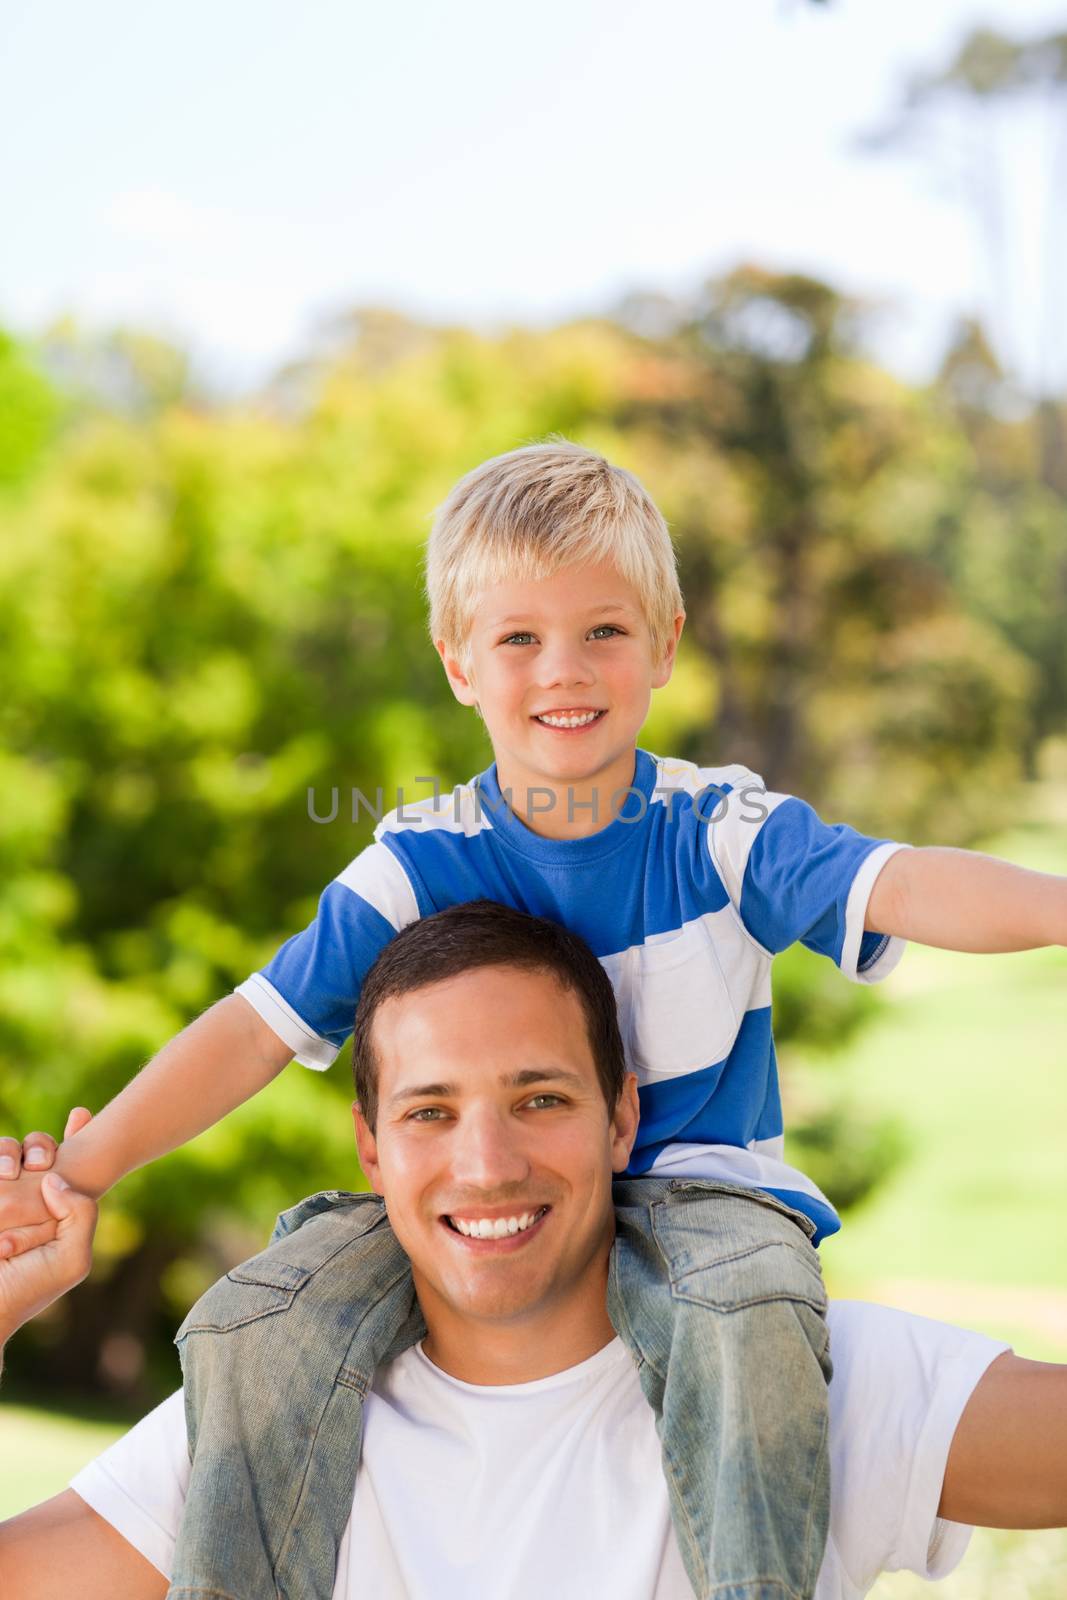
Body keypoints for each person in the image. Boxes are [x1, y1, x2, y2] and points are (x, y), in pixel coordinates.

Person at [2, 444, 1066, 1598]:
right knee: (261, 1315)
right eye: (517, 638)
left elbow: (899, 882)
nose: (564, 669)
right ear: (457, 662)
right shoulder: (422, 859)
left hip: (707, 1208)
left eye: (603, 631)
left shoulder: (717, 828)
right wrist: (85, 1167)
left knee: (747, 1322)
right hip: (491, 1224)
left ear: (665, 641)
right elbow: (258, 1025)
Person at [0, 903, 1064, 1600]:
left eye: (538, 1098)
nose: (488, 1163)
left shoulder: (790, 1369)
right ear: (369, 1147)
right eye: (429, 1112)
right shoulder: (258, 1413)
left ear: (618, 1118)